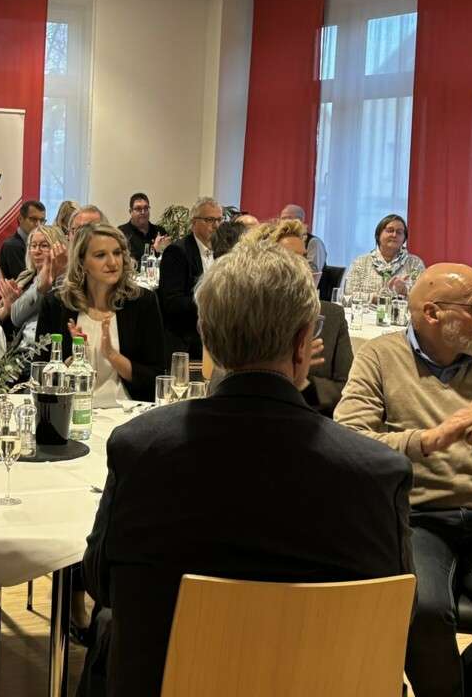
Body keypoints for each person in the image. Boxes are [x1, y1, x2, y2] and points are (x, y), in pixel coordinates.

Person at [79, 241, 413, 697]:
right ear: (303, 344)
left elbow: (100, 581)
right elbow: (398, 613)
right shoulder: (378, 473)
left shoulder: (140, 449)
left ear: (207, 339)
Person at [335, 263, 472, 697]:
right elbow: (348, 446)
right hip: (415, 518)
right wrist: (428, 441)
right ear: (432, 313)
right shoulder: (380, 357)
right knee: (424, 613)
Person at [35, 222, 163, 403]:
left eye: (117, 253)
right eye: (100, 255)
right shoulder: (57, 304)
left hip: (127, 409)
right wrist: (76, 359)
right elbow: (40, 378)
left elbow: (155, 377)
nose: (113, 262)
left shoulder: (142, 302)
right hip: (71, 408)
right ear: (82, 262)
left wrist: (112, 355)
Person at [238, 219, 352, 415]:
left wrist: (303, 380)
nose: (304, 268)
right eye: (291, 259)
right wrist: (280, 372)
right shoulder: (243, 315)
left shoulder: (331, 316)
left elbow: (349, 389)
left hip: (315, 423)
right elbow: (222, 382)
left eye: (304, 259)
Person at [158, 196, 221, 356]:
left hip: (215, 335)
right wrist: (211, 303)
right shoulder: (177, 252)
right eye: (209, 220)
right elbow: (172, 302)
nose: (216, 225)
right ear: (194, 223)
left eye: (219, 220)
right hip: (187, 338)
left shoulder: (221, 251)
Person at [0, 224, 67, 347]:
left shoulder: (65, 281)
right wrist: (6, 309)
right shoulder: (26, 276)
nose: (37, 251)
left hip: (43, 347)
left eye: (44, 246)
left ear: (58, 249)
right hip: (19, 346)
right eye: (33, 246)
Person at [341, 214, 425, 297]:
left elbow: (422, 295)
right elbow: (348, 294)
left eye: (399, 232)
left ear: (404, 239)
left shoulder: (415, 263)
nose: (394, 235)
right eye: (390, 230)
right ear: (378, 235)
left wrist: (404, 291)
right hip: (367, 306)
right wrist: (376, 298)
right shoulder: (360, 262)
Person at [0, 200, 46, 280]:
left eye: (42, 220)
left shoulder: (34, 244)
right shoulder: (12, 246)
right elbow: (25, 282)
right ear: (20, 218)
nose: (39, 225)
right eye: (33, 219)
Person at [117, 192, 170, 262]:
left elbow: (169, 260)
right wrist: (154, 250)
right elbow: (127, 264)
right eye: (138, 208)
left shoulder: (160, 231)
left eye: (146, 208)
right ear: (130, 211)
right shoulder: (121, 233)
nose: (143, 212)